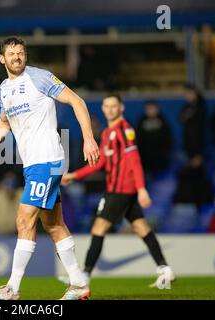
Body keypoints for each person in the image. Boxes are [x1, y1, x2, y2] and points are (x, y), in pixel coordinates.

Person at [0, 36, 100, 300]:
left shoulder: (40, 77)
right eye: (12, 53)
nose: (17, 57)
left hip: (46, 160)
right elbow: (4, 126)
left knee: (24, 219)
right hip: (34, 164)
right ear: (2, 59)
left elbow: (77, 101)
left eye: (21, 53)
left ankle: (12, 288)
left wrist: (89, 138)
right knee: (54, 225)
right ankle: (79, 283)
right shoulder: (4, 89)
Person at [61, 94, 174, 288]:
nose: (110, 109)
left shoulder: (125, 130)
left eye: (114, 106)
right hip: (122, 191)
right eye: (107, 106)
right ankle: (165, 269)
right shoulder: (107, 133)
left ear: (121, 108)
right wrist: (75, 175)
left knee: (98, 228)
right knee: (141, 228)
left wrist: (141, 189)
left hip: (119, 190)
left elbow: (134, 160)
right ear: (103, 109)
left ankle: (84, 276)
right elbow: (102, 162)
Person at [136, 100, 172, 176]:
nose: (151, 110)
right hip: (145, 159)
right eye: (148, 108)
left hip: (160, 159)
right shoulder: (141, 121)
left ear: (157, 108)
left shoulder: (163, 120)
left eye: (153, 108)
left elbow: (168, 138)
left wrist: (165, 153)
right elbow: (138, 139)